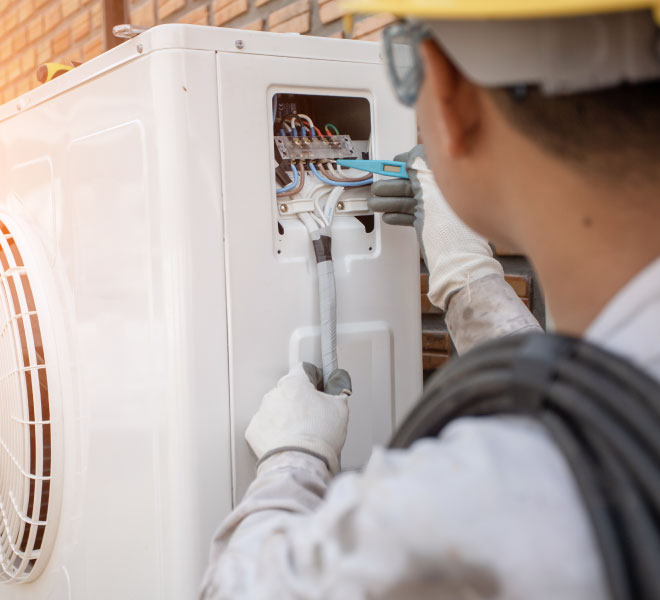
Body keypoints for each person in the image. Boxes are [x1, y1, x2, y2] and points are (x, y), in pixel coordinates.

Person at [201, 2, 660, 598]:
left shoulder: (473, 502)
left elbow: (236, 588)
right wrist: (466, 275)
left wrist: (293, 456)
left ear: (448, 95)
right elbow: (595, 387)